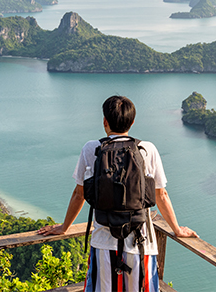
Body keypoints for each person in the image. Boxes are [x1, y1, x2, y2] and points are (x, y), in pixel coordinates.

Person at [38, 95, 197, 291]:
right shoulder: (147, 149)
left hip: (103, 244)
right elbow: (161, 195)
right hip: (141, 244)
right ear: (132, 121)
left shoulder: (92, 149)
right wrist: (177, 230)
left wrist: (64, 227)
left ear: (105, 121)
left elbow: (79, 195)